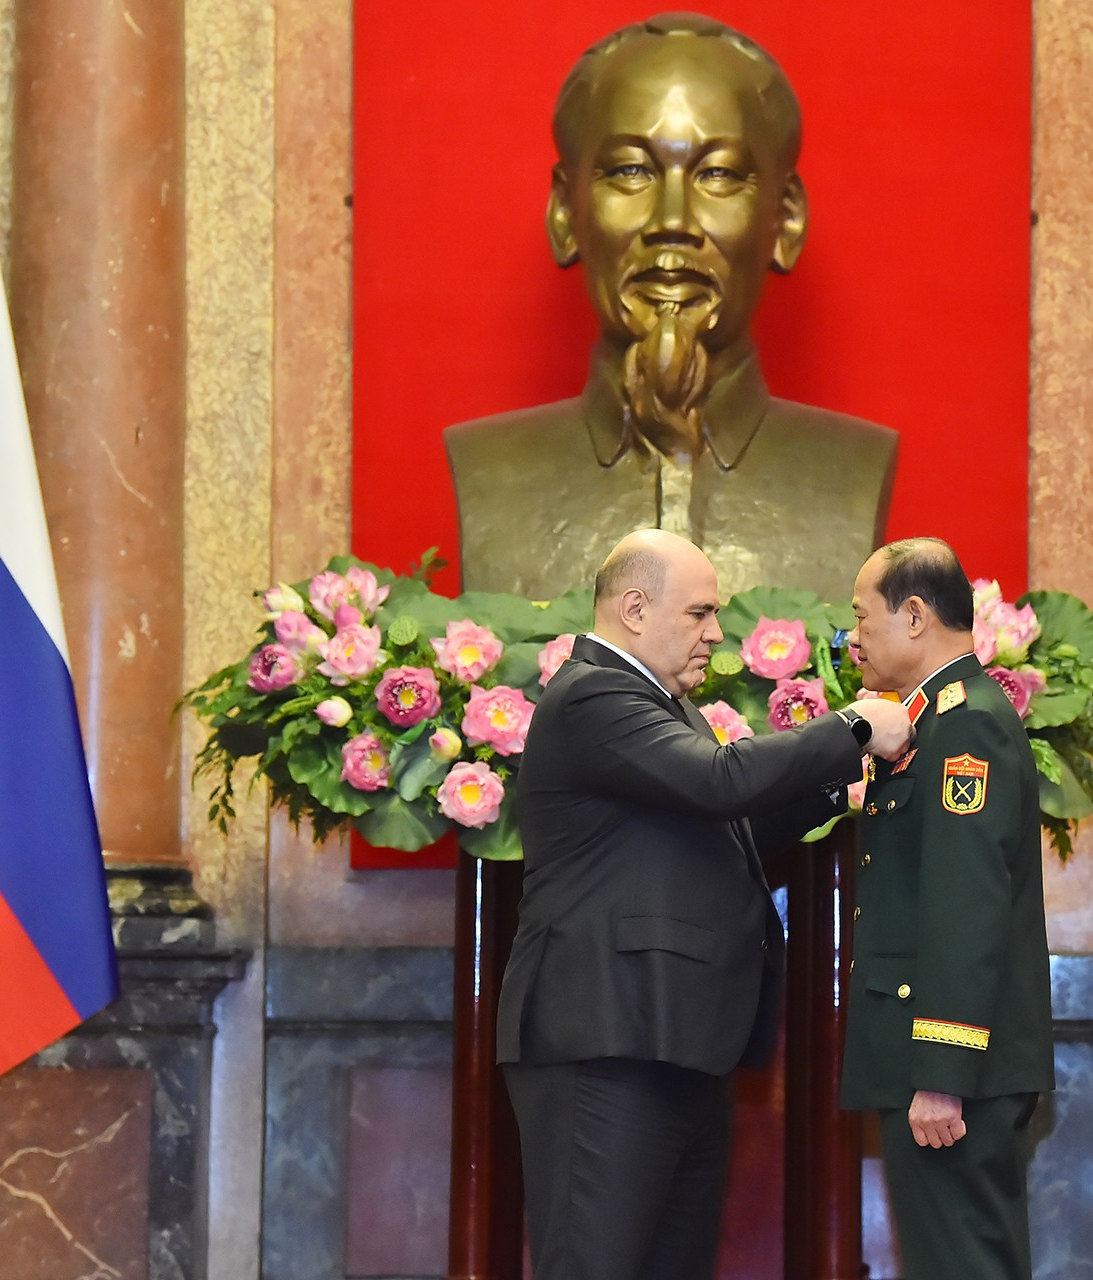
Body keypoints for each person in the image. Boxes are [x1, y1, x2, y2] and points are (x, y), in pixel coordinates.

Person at [499, 529, 911, 1280]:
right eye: (699, 613)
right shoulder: (593, 693)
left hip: (670, 1038)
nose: (716, 633)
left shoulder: (659, 704)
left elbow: (730, 826)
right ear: (633, 608)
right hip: (605, 1038)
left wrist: (832, 788)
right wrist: (853, 728)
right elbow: (718, 780)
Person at [445, 13, 896, 601]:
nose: (673, 222)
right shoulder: (491, 471)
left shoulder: (852, 473)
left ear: (785, 219)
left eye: (719, 174)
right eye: (631, 171)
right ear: (564, 212)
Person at [840, 537, 1053, 1280]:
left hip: (951, 1068)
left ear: (917, 615)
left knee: (963, 1263)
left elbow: (967, 904)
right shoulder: (934, 721)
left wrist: (941, 1069)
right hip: (941, 1061)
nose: (853, 638)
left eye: (862, 619)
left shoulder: (965, 724)